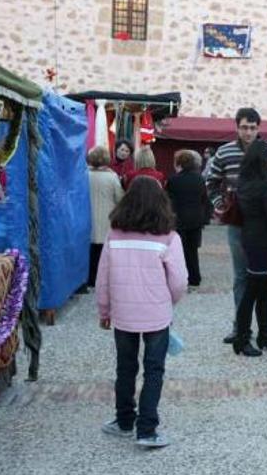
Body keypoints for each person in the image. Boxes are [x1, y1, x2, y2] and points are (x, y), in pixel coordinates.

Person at [97, 176, 188, 449]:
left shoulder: (114, 234)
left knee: (125, 367)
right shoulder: (170, 238)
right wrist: (168, 301)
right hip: (156, 314)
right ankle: (147, 429)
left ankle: (124, 419)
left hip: (123, 313)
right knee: (154, 370)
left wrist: (105, 309)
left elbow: (103, 276)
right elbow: (179, 280)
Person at [206, 108, 267, 345]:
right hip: (238, 223)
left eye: (253, 128)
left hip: (265, 224)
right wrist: (220, 205)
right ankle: (240, 329)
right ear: (237, 127)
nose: (249, 132)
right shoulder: (225, 152)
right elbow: (211, 182)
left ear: (259, 128)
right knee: (241, 277)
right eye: (244, 127)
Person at [233, 141, 267, 356]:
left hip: (249, 236)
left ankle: (263, 336)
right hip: (262, 240)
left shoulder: (243, 181)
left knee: (260, 290)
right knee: (256, 291)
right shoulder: (265, 183)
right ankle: (243, 338)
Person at [166, 150, 209, 287]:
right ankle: (195, 278)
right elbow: (204, 199)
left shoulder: (173, 180)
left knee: (179, 250)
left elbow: (168, 200)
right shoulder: (200, 179)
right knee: (192, 250)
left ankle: (180, 277)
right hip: (196, 218)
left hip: (179, 218)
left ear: (179, 164)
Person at [87, 146, 124, 288]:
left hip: (87, 218)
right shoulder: (112, 177)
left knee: (89, 251)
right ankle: (100, 280)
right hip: (106, 218)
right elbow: (119, 197)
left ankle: (89, 279)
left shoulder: (84, 174)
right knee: (102, 252)